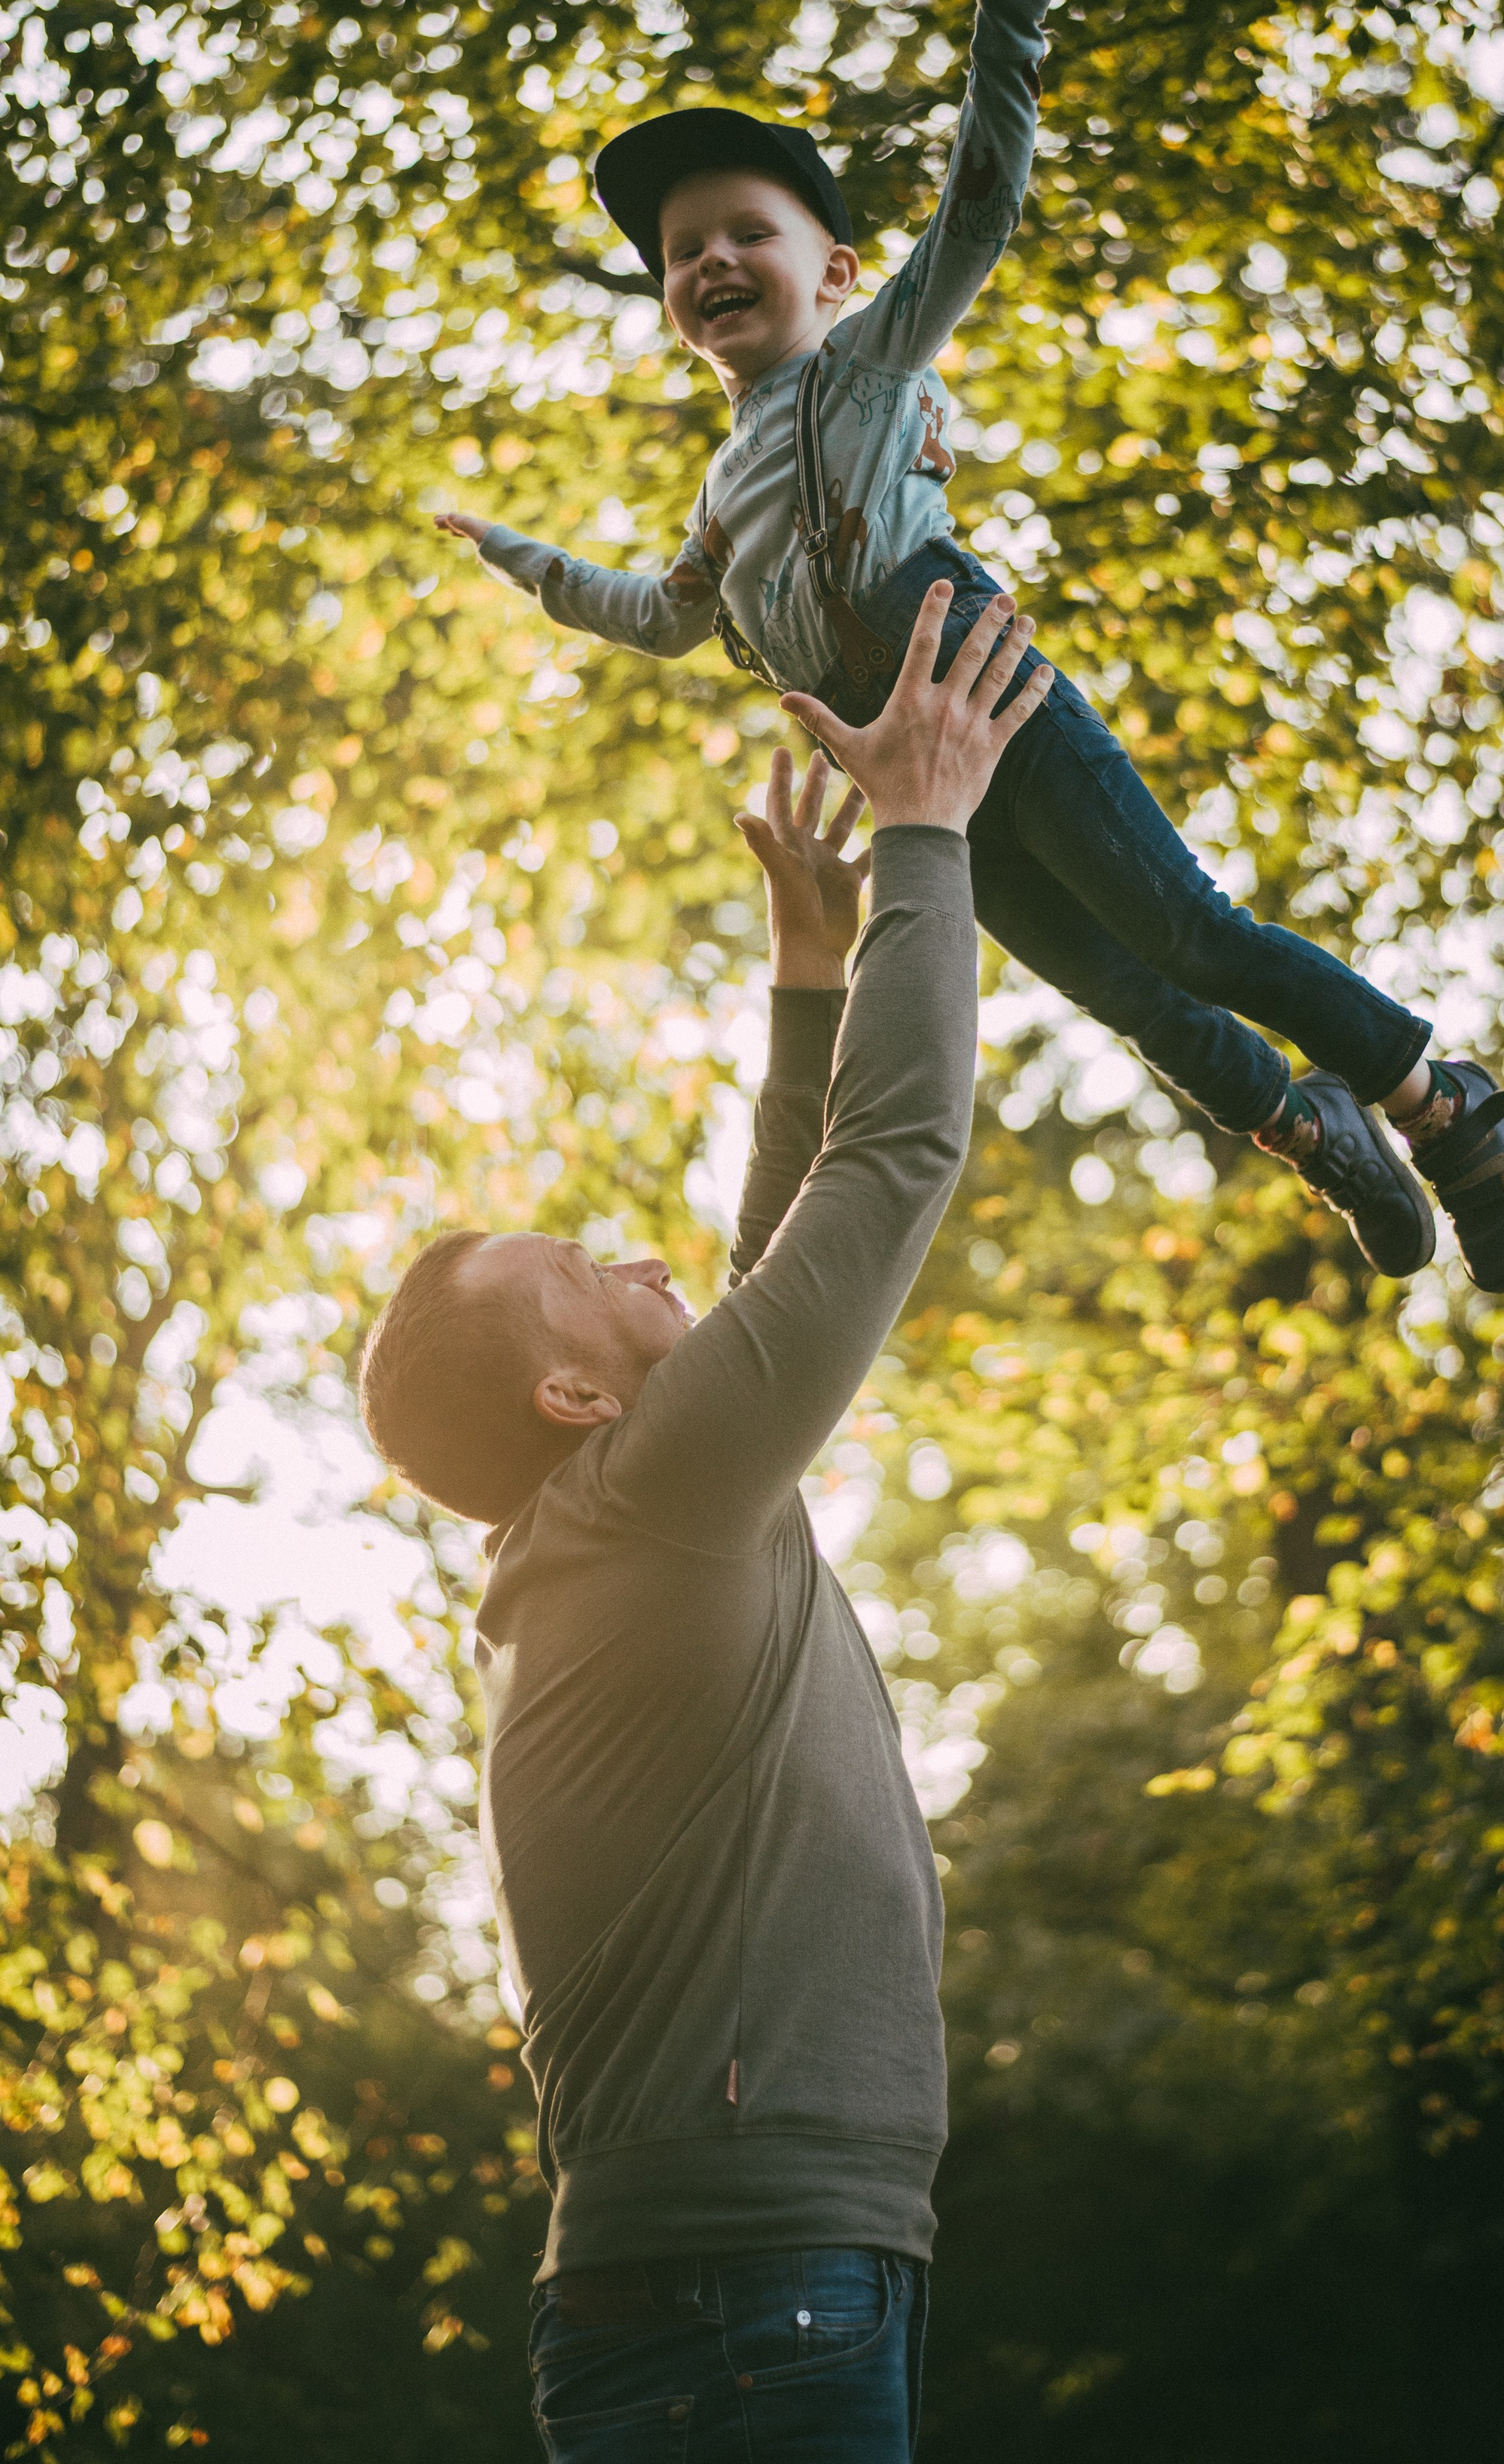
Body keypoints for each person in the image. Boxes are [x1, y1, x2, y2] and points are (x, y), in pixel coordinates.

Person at [436, 0, 1504, 1293]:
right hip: (917, 782)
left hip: (981, 690)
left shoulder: (872, 363)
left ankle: (1438, 1106)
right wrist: (522, 560)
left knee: (1185, 929)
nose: (711, 257)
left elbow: (976, 208)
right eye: (681, 250)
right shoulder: (721, 493)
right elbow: (659, 617)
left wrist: (1011, 10)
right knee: (1124, 989)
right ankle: (1306, 1120)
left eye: (746, 233)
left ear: (834, 271)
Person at [357, 587, 1051, 2460]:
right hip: (751, 2304)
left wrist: (809, 977)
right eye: (591, 1270)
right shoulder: (647, 1510)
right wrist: (922, 830)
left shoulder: (635, 1518)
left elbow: (763, 1262)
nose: (644, 1255)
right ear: (574, 1399)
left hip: (765, 2288)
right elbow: (889, 1162)